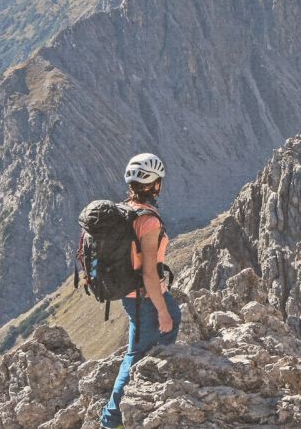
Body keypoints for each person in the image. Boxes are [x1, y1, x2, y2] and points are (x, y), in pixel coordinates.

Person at [100, 152, 181, 429]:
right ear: (154, 185)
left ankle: (117, 415)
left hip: (130, 296)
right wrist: (163, 311)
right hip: (145, 298)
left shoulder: (126, 211)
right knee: (136, 357)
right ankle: (112, 420)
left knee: (135, 352)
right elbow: (149, 272)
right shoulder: (149, 221)